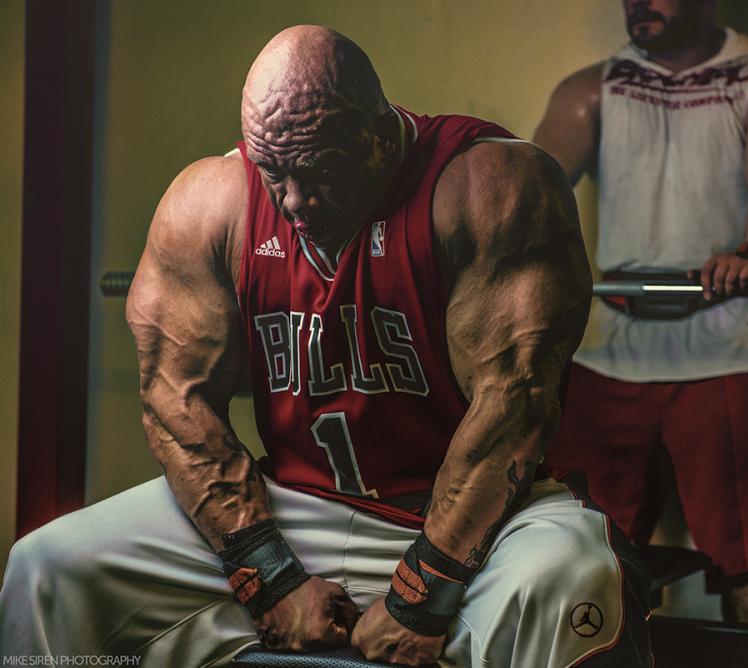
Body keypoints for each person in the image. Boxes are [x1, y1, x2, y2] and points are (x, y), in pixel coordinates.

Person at [0, 26, 652, 667]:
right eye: (273, 172)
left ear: (379, 136)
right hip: (293, 506)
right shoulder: (210, 205)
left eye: (320, 172)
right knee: (49, 566)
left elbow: (514, 407)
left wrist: (421, 594)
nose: (294, 202)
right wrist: (269, 576)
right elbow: (176, 404)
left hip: (473, 517)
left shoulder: (491, 186)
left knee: (575, 577)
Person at [533, 0, 748, 625]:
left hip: (727, 332)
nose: (638, 3)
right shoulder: (590, 89)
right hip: (611, 339)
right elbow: (528, 191)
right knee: (577, 545)